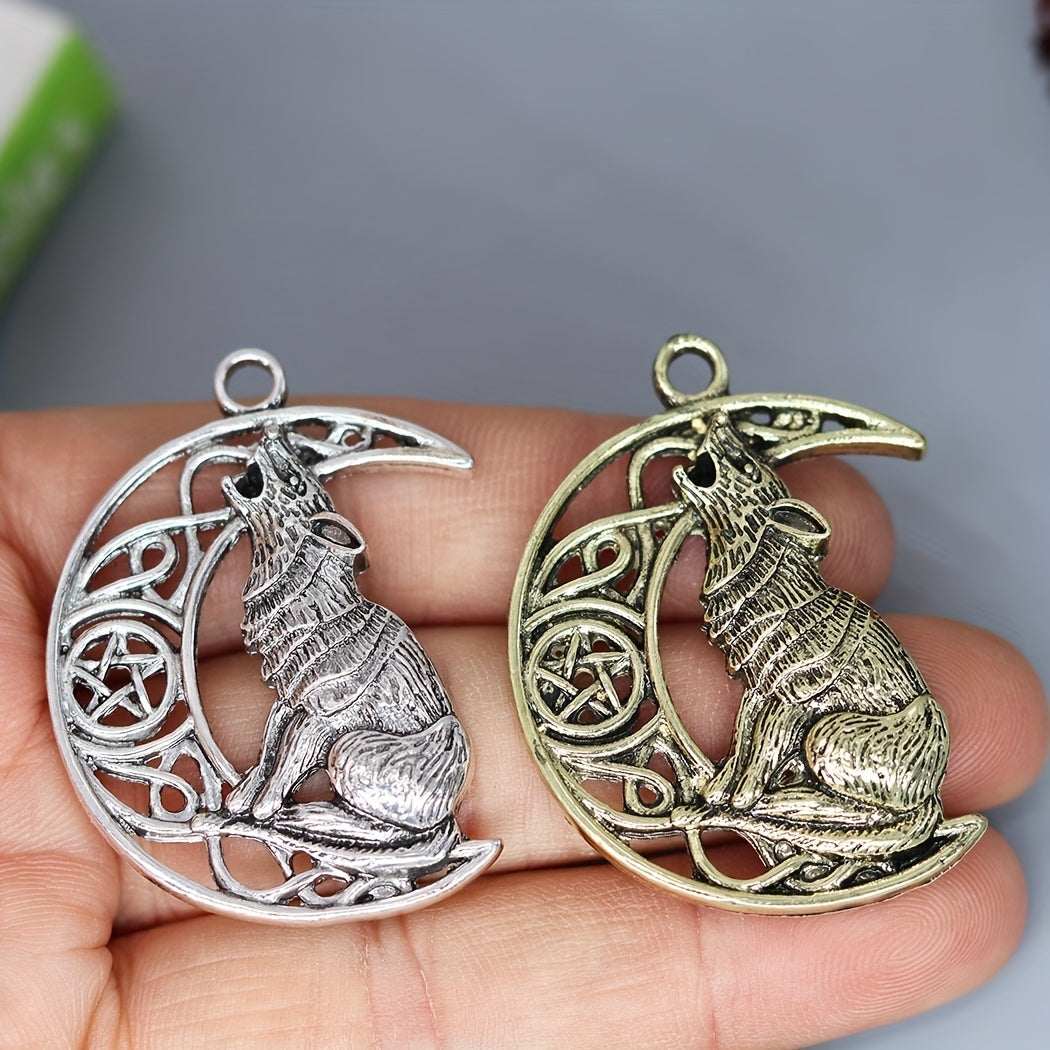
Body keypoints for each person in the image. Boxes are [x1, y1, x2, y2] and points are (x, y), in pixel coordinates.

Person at [1, 396, 1045, 1048]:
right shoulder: (311, 616)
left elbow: (307, 730)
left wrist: (257, 805)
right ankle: (302, 821)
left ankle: (782, 814)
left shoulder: (801, 608)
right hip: (392, 780)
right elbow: (302, 723)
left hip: (410, 780)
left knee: (808, 742)